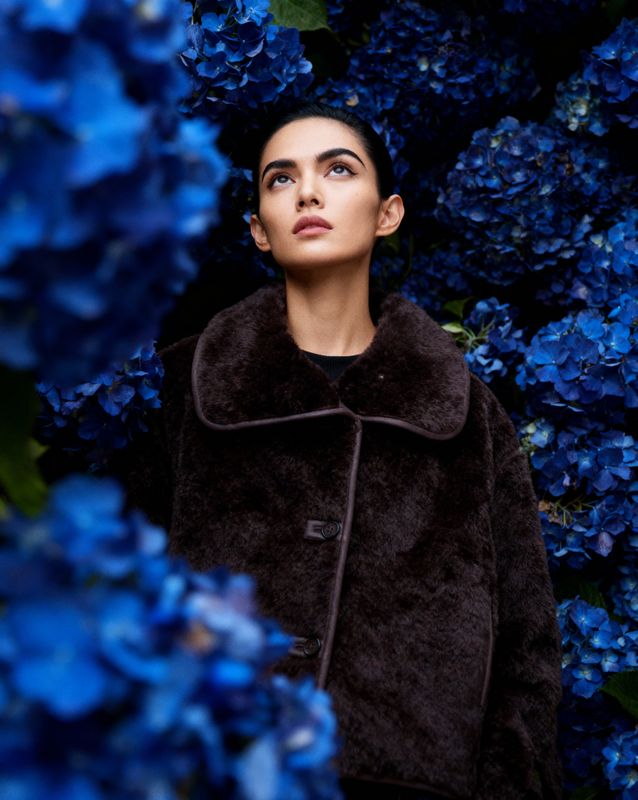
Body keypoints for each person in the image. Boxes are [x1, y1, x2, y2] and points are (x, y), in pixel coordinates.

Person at [111, 102, 563, 799]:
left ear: (388, 213)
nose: (309, 193)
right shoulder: (184, 386)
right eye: (280, 179)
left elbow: (525, 646)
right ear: (259, 231)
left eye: (338, 170)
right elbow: (112, 588)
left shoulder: (467, 413)